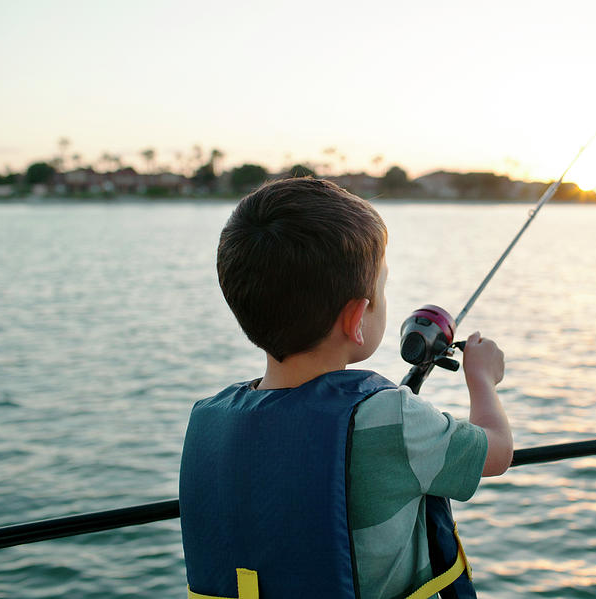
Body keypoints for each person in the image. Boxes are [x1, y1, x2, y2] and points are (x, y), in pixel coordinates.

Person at [179, 177, 513, 599]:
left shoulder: (210, 419)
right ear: (356, 319)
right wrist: (481, 377)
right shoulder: (393, 417)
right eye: (382, 288)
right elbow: (497, 451)